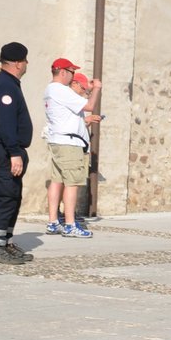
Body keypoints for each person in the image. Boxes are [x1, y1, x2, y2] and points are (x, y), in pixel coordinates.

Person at [0, 43, 35, 263]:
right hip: (2, 150)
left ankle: (5, 242)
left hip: (5, 149)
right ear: (19, 63)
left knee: (13, 196)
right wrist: (14, 153)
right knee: (5, 196)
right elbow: (7, 123)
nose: (27, 64)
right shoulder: (6, 86)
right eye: (26, 61)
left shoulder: (6, 82)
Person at [43, 59, 103, 238]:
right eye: (71, 71)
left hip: (59, 140)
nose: (72, 75)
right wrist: (97, 89)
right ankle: (70, 225)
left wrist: (88, 90)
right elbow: (90, 106)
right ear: (62, 72)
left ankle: (53, 221)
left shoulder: (50, 89)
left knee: (57, 180)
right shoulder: (60, 89)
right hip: (69, 143)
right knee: (72, 183)